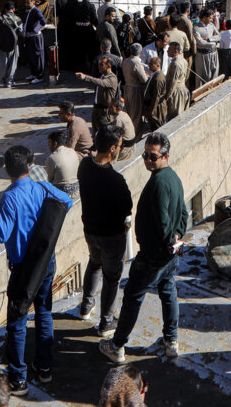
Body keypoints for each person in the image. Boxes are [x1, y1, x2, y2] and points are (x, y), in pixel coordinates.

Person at [0, 146, 73, 395]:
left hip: (24, 269)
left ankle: (18, 379)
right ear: (29, 166)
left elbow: (0, 233)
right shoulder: (41, 188)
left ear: (7, 170)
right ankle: (45, 369)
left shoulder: (9, 198)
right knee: (45, 313)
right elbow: (66, 201)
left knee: (17, 322)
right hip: (46, 262)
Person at [101, 132, 188, 363]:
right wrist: (177, 238)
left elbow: (163, 220)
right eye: (145, 156)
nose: (148, 160)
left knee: (132, 297)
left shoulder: (160, 182)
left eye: (153, 156)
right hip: (168, 254)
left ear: (165, 156)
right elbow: (182, 213)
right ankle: (171, 342)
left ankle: (117, 345)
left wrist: (171, 239)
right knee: (168, 292)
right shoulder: (173, 177)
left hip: (153, 255)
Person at [78, 126, 133, 340]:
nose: (120, 149)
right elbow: (127, 207)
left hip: (90, 230)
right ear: (111, 148)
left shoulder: (84, 167)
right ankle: (106, 321)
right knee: (111, 277)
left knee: (94, 263)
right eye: (119, 146)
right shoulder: (115, 180)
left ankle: (86, 306)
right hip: (111, 236)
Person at [77, 55, 119, 127]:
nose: (99, 66)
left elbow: (102, 83)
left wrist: (85, 77)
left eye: (101, 65)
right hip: (97, 108)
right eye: (99, 64)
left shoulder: (112, 78)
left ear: (108, 66)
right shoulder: (102, 76)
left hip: (105, 111)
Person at [45, 130, 80, 197]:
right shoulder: (72, 151)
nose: (48, 145)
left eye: (49, 142)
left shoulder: (52, 158)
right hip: (76, 188)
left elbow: (49, 179)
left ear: (55, 144)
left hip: (62, 192)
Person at [162, 42, 190, 120]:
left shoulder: (176, 63)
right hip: (182, 89)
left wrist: (168, 94)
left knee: (175, 115)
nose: (167, 51)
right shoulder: (183, 60)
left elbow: (173, 81)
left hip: (176, 92)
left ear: (175, 52)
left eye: (169, 49)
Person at [22, 0, 46, 84]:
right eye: (26, 3)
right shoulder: (30, 11)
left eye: (28, 3)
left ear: (33, 2)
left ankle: (39, 76)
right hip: (29, 36)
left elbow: (43, 21)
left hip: (35, 36)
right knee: (31, 56)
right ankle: (34, 73)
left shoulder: (36, 11)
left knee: (37, 56)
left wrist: (36, 29)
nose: (26, 5)